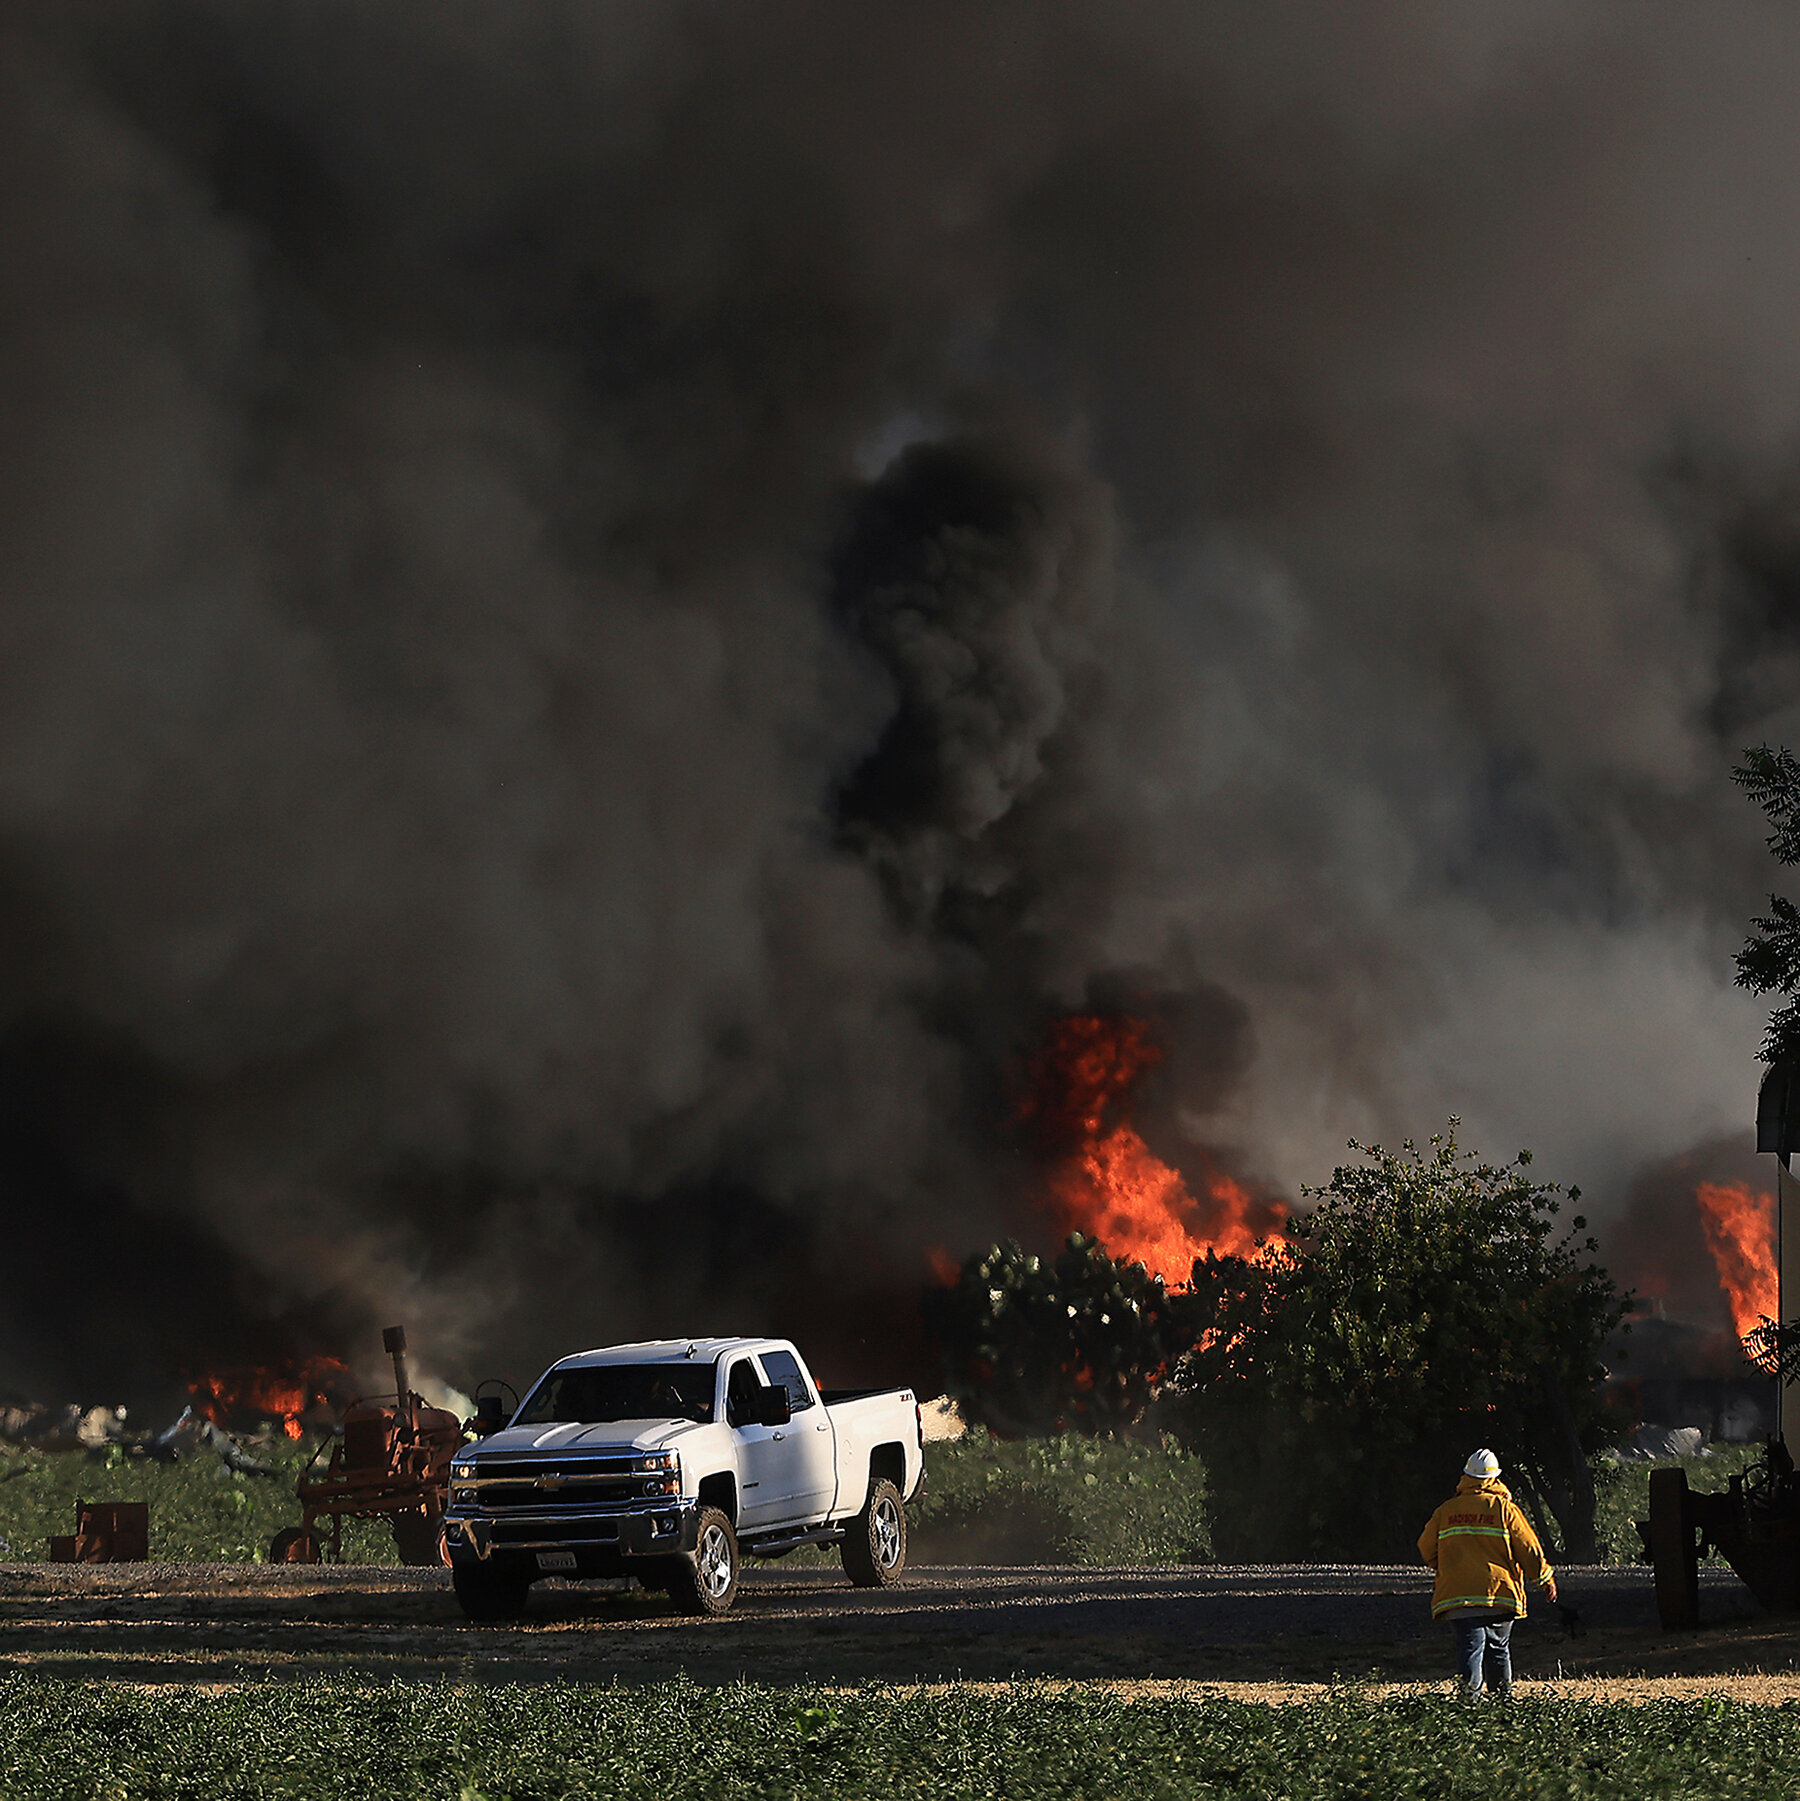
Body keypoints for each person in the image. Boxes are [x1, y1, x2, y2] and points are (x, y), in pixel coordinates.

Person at [1417, 1448, 1556, 1700]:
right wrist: (1544, 1579)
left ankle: (1469, 1704)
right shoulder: (1505, 1509)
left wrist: (1448, 1567)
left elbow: (1426, 1547)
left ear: (1467, 1475)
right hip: (1499, 1594)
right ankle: (1502, 1704)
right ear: (1494, 1478)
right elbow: (1528, 1548)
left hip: (1459, 1596)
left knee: (1470, 1649)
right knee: (1499, 1649)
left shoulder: (1446, 1511)